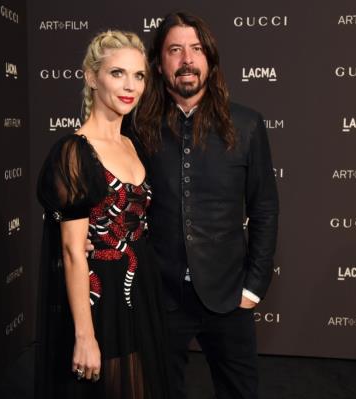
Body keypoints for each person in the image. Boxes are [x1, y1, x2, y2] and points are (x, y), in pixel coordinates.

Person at [133, 11, 279, 399]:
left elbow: (264, 206)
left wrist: (254, 286)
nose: (187, 60)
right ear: (159, 65)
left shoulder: (247, 125)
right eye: (175, 50)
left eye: (196, 49)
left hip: (228, 294)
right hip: (160, 295)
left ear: (210, 61)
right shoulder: (136, 128)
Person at [35, 30, 169, 399]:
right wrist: (84, 334)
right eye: (117, 73)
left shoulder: (133, 142)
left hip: (141, 291)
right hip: (98, 298)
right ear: (91, 77)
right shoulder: (74, 152)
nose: (130, 86)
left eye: (139, 75)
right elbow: (73, 251)